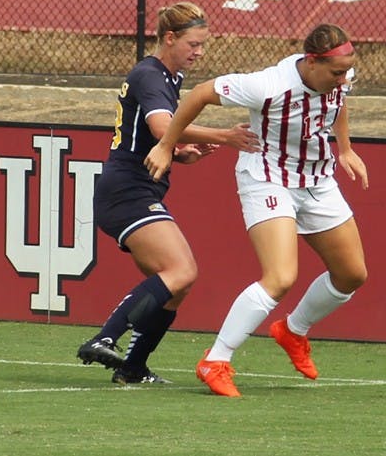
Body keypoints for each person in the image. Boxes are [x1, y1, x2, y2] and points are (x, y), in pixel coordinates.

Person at [144, 23, 369, 397]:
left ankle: (292, 330)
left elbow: (337, 103)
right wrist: (168, 145)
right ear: (311, 62)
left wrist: (344, 149)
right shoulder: (267, 85)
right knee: (281, 276)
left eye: (347, 71)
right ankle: (215, 360)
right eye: (336, 72)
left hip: (316, 181)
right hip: (268, 178)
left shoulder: (337, 77)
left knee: (351, 275)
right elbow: (200, 94)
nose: (344, 78)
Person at [77, 2, 260, 385]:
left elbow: (159, 138)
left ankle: (132, 368)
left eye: (203, 45)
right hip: (126, 190)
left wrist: (183, 153)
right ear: (170, 38)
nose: (199, 53)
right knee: (182, 270)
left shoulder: (168, 78)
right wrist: (224, 136)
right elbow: (163, 127)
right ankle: (105, 336)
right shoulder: (151, 74)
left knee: (176, 286)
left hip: (135, 186)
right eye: (193, 44)